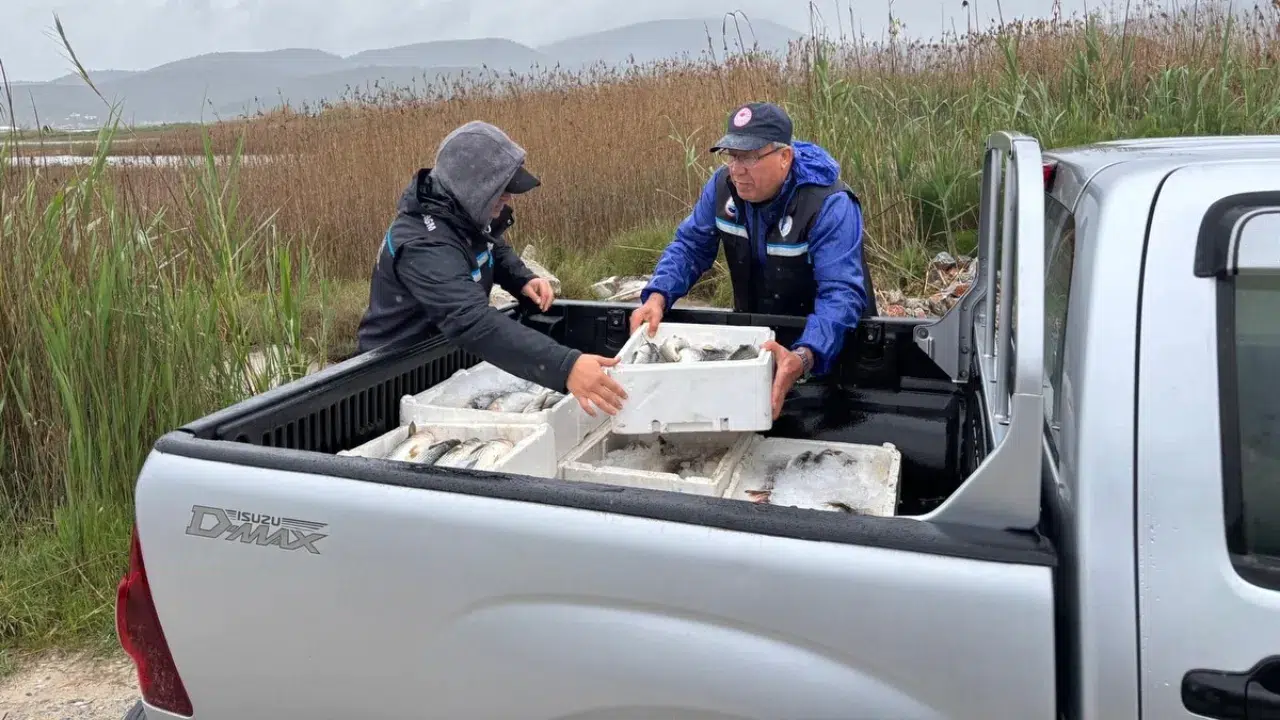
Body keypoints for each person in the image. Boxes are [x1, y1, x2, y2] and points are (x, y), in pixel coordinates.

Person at [355, 120, 627, 417]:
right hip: (389, 381)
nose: (510, 198)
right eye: (502, 190)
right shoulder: (422, 245)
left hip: (444, 366)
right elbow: (472, 321)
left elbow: (488, 243)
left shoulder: (456, 212)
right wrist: (567, 366)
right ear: (472, 189)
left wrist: (520, 277)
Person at [630, 101, 875, 420]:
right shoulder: (722, 188)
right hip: (760, 342)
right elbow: (691, 246)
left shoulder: (829, 205)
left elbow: (841, 295)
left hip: (831, 349)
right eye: (731, 155)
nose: (736, 169)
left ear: (784, 157)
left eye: (749, 157)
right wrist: (658, 296)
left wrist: (804, 355)